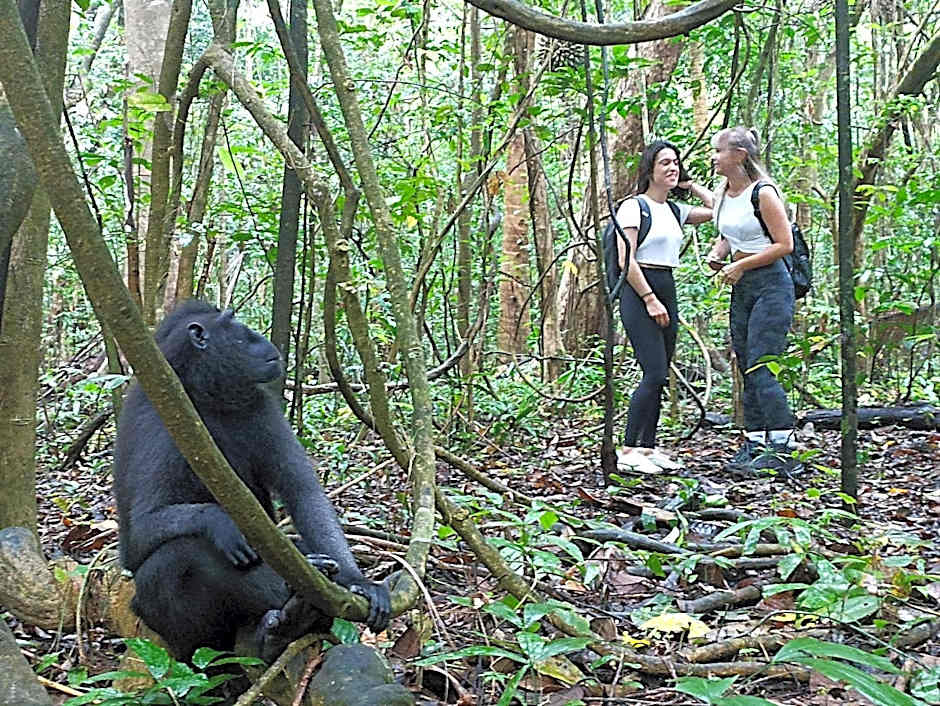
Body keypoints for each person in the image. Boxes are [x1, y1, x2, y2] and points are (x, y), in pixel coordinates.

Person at [706, 126, 803, 476]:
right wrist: (718, 255)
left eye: (718, 151)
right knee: (746, 362)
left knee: (763, 363)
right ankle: (756, 442)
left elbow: (784, 244)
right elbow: (728, 235)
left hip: (771, 284)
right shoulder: (724, 192)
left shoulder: (763, 192)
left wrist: (741, 265)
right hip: (742, 286)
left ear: (739, 155)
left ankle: (783, 446)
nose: (713, 157)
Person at [614, 139, 713, 471]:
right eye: (664, 163)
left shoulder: (675, 210)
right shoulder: (633, 207)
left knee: (662, 371)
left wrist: (690, 185)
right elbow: (625, 259)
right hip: (639, 288)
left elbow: (718, 211)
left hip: (666, 284)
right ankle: (628, 450)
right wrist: (649, 299)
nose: (672, 168)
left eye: (675, 162)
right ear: (649, 169)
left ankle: (648, 447)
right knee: (653, 371)